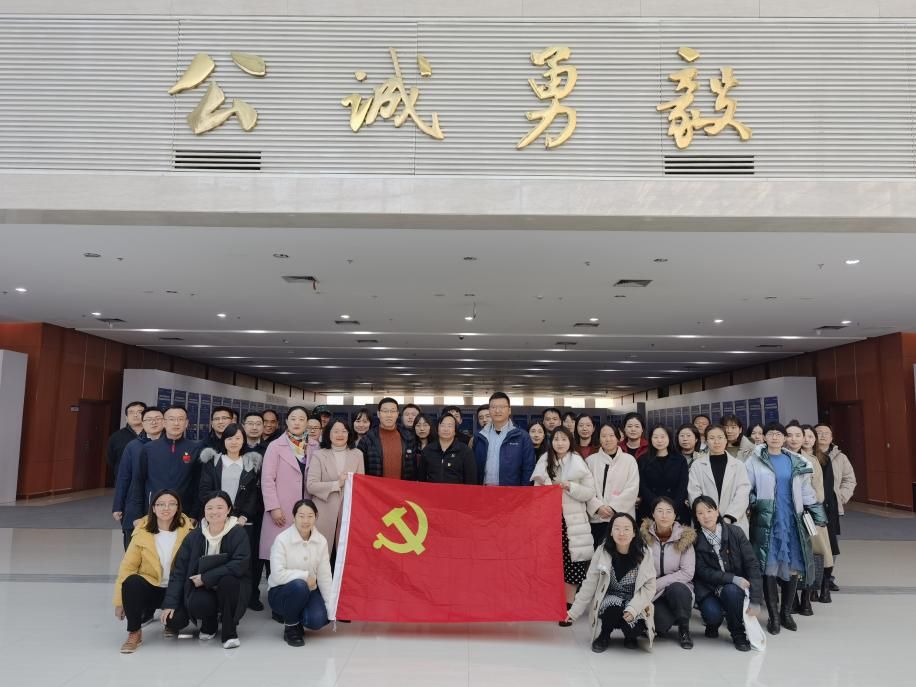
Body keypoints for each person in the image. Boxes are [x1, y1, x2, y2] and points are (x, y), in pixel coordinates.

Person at [745, 422, 825, 635]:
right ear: (764, 437)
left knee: (792, 566)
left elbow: (807, 491)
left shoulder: (797, 460)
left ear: (784, 438)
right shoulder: (754, 460)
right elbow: (746, 487)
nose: (774, 437)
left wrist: (818, 515)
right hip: (767, 521)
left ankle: (786, 613)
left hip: (792, 520)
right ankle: (773, 616)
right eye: (770, 434)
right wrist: (757, 503)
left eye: (778, 434)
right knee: (769, 566)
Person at [160, 491, 251, 649]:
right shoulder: (194, 536)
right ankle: (209, 624)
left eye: (219, 507)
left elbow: (240, 564)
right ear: (204, 510)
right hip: (201, 586)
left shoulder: (238, 532)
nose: (214, 512)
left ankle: (229, 632)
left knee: (228, 582)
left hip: (230, 584)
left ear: (229, 510)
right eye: (209, 508)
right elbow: (179, 570)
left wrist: (206, 577)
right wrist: (170, 603)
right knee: (187, 610)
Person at [113, 489, 193, 653]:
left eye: (171, 504)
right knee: (131, 582)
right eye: (161, 504)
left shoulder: (188, 532)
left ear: (178, 508)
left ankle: (170, 624)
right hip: (151, 587)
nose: (166, 508)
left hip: (176, 590)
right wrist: (119, 602)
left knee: (179, 621)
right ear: (154, 508)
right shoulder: (142, 533)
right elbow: (127, 568)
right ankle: (134, 632)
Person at [531, 427, 597, 618]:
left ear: (570, 442)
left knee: (572, 562)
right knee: (549, 560)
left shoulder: (578, 461)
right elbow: (536, 492)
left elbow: (589, 492)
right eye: (556, 439)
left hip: (573, 520)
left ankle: (568, 606)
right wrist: (548, 488)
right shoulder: (544, 460)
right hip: (549, 519)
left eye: (564, 439)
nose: (560, 443)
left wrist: (571, 487)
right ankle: (551, 601)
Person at [566, 512, 657, 652]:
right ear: (610, 532)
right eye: (617, 528)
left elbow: (649, 588)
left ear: (634, 533)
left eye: (626, 529)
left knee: (634, 629)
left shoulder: (645, 553)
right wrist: (574, 612)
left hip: (634, 599)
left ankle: (630, 636)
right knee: (613, 609)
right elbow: (590, 583)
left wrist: (633, 608)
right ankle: (604, 635)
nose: (621, 533)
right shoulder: (602, 551)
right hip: (610, 598)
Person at [198, 423, 265, 611]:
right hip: (217, 519)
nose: (234, 442)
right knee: (217, 558)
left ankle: (247, 598)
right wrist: (219, 512)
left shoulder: (250, 463)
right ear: (223, 440)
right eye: (229, 438)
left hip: (242, 522)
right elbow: (204, 490)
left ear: (244, 440)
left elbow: (254, 495)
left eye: (238, 438)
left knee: (245, 561)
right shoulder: (213, 462)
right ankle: (214, 598)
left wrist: (244, 515)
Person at [692, 495, 761, 652]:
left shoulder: (735, 532)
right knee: (712, 614)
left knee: (731, 591)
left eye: (709, 511)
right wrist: (732, 578)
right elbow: (702, 571)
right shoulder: (695, 540)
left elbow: (752, 564)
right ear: (696, 517)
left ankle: (738, 633)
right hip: (710, 588)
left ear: (717, 512)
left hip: (733, 589)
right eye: (700, 513)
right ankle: (713, 624)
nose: (706, 516)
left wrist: (756, 600)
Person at [267, 499, 333, 646]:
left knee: (317, 620)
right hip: (281, 592)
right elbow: (277, 574)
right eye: (301, 516)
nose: (306, 520)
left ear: (316, 517)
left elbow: (324, 575)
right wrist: (304, 576)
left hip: (309, 590)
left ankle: (295, 615)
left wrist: (330, 605)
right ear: (294, 517)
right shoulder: (282, 539)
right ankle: (291, 627)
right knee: (299, 585)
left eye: (310, 516)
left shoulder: (321, 541)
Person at [260, 406, 316, 566]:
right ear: (286, 421)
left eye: (301, 419)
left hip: (306, 508)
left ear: (307, 422)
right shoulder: (275, 446)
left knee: (303, 559)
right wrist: (273, 507)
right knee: (279, 558)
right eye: (293, 419)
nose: (297, 423)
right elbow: (267, 480)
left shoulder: (315, 446)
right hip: (281, 509)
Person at [127, 405, 202, 523]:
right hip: (153, 511)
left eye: (180, 419)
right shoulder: (149, 449)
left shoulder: (195, 449)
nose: (176, 423)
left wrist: (194, 514)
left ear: (186, 423)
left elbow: (198, 484)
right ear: (164, 423)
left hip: (184, 513)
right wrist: (137, 514)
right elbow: (138, 482)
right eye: (171, 419)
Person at [641, 496, 696, 649]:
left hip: (678, 588)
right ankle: (669, 617)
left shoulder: (685, 538)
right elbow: (640, 568)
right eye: (659, 511)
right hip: (655, 593)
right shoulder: (644, 538)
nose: (664, 516)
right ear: (653, 514)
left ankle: (684, 629)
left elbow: (687, 573)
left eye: (668, 511)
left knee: (677, 589)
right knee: (660, 624)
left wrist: (658, 583)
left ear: (675, 515)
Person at [306, 419, 365, 556]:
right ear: (328, 434)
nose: (340, 434)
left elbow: (361, 486)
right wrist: (336, 484)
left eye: (344, 431)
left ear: (349, 434)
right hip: (324, 513)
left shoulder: (357, 454)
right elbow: (311, 485)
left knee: (344, 555)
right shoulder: (319, 454)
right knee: (322, 555)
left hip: (348, 513)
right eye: (336, 431)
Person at [113, 407, 164, 550]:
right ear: (143, 423)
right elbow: (124, 477)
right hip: (135, 503)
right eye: (149, 419)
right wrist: (118, 505)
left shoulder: (171, 446)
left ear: (164, 422)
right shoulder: (133, 446)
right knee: (133, 547)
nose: (153, 422)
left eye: (158, 419)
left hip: (162, 504)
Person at [815, 422, 856, 592]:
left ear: (832, 437)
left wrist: (842, 496)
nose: (823, 435)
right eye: (819, 432)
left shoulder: (840, 457)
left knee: (831, 543)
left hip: (832, 507)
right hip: (813, 506)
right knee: (815, 542)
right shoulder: (809, 455)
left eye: (826, 433)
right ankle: (814, 577)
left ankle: (827, 577)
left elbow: (849, 479)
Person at [800, 424, 838, 609]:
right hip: (807, 510)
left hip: (819, 510)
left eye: (810, 436)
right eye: (804, 436)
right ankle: (812, 589)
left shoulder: (822, 459)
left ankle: (824, 586)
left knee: (824, 549)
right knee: (811, 549)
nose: (807, 440)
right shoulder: (796, 457)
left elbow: (827, 487)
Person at [688, 425, 751, 535]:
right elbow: (694, 493)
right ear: (706, 441)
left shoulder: (738, 465)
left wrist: (729, 517)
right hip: (706, 522)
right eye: (712, 438)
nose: (716, 441)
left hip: (734, 522)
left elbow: (743, 493)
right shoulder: (697, 465)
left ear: (726, 440)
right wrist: (709, 517)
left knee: (734, 545)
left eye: (720, 437)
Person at [586, 424, 639, 547]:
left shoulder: (629, 460)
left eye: (611, 435)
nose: (608, 439)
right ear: (599, 439)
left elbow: (632, 488)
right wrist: (598, 507)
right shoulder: (590, 461)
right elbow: (586, 489)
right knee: (598, 552)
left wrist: (613, 508)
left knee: (622, 552)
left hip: (622, 519)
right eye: (604, 436)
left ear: (618, 437)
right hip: (597, 519)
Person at [474, 392, 535, 486]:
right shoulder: (480, 436)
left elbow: (528, 469)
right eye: (493, 407)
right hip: (484, 490)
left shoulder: (522, 436)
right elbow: (474, 467)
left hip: (511, 492)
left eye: (502, 407)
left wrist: (524, 492)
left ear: (509, 410)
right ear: (489, 410)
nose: (497, 410)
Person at [637, 426, 689, 523]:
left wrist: (673, 507)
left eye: (663, 436)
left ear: (669, 438)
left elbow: (683, 486)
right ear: (650, 439)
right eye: (655, 437)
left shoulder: (680, 460)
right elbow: (642, 486)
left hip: (675, 508)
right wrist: (656, 505)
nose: (659, 440)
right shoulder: (643, 460)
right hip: (649, 508)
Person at [364, 398, 417, 479]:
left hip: (403, 486)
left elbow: (413, 468)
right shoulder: (367, 438)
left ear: (397, 414)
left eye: (392, 411)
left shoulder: (408, 437)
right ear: (378, 414)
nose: (389, 415)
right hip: (376, 486)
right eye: (385, 411)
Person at [419, 414, 477, 485]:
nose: (446, 429)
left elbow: (471, 480)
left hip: (457, 491)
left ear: (455, 431)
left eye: (450, 426)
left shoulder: (465, 451)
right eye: (442, 425)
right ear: (437, 429)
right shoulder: (428, 450)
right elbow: (421, 478)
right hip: (432, 491)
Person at [107, 401, 146, 477]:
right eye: (131, 412)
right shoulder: (116, 436)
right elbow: (111, 459)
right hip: (124, 478)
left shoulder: (154, 434)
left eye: (139, 412)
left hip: (148, 479)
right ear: (126, 418)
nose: (135, 415)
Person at [352, 407, 374, 472]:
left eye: (365, 422)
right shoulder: (346, 440)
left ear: (370, 424)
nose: (361, 425)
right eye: (358, 421)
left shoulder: (374, 441)